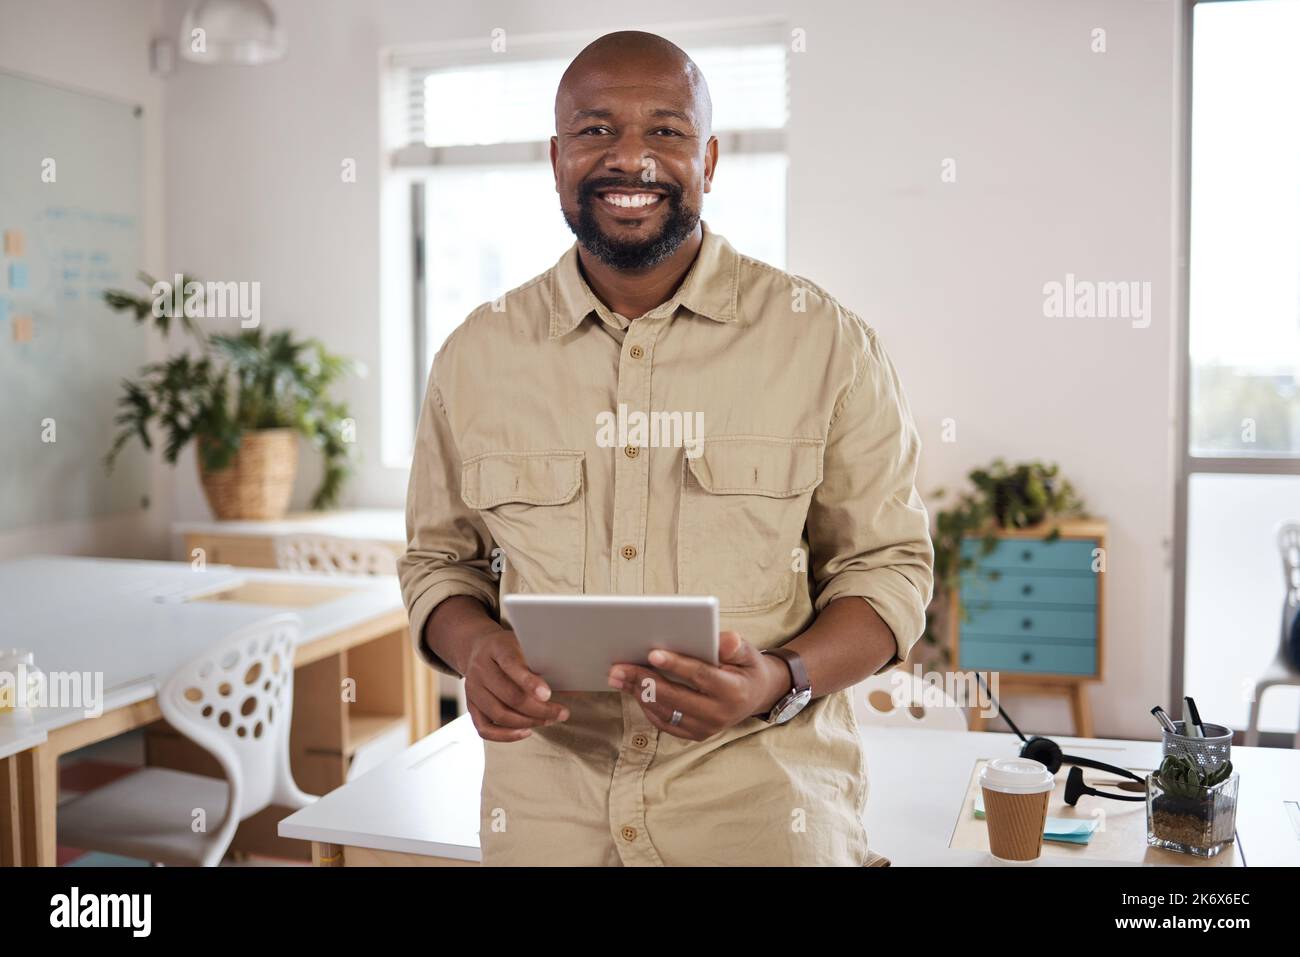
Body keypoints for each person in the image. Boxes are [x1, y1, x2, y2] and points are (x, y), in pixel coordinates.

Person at [398, 30, 933, 866]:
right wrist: (475, 649)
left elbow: (889, 570)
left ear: (709, 159)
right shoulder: (475, 356)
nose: (630, 159)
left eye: (667, 131)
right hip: (544, 823)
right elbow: (439, 563)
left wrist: (777, 677)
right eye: (595, 129)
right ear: (555, 156)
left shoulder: (824, 343)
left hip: (762, 812)